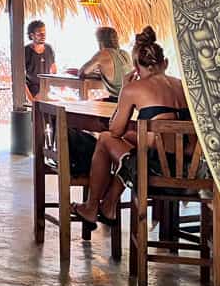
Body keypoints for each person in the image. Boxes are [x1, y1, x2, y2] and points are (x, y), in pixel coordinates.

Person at [72, 26, 191, 229]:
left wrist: (123, 94)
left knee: (105, 139)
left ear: (136, 68)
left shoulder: (134, 88)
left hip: (157, 173)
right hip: (190, 171)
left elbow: (114, 130)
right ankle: (109, 204)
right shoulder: (182, 85)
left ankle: (92, 207)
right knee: (132, 143)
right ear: (165, 63)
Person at [79, 26, 133, 102]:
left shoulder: (103, 54)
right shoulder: (125, 54)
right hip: (131, 98)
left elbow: (81, 73)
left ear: (101, 42)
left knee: (89, 104)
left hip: (118, 100)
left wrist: (95, 73)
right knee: (97, 101)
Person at [24, 20, 57, 101]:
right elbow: (20, 79)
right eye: (39, 34)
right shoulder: (26, 51)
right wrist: (31, 99)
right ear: (32, 36)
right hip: (32, 91)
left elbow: (54, 70)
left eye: (44, 33)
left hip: (47, 89)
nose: (43, 36)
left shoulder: (49, 48)